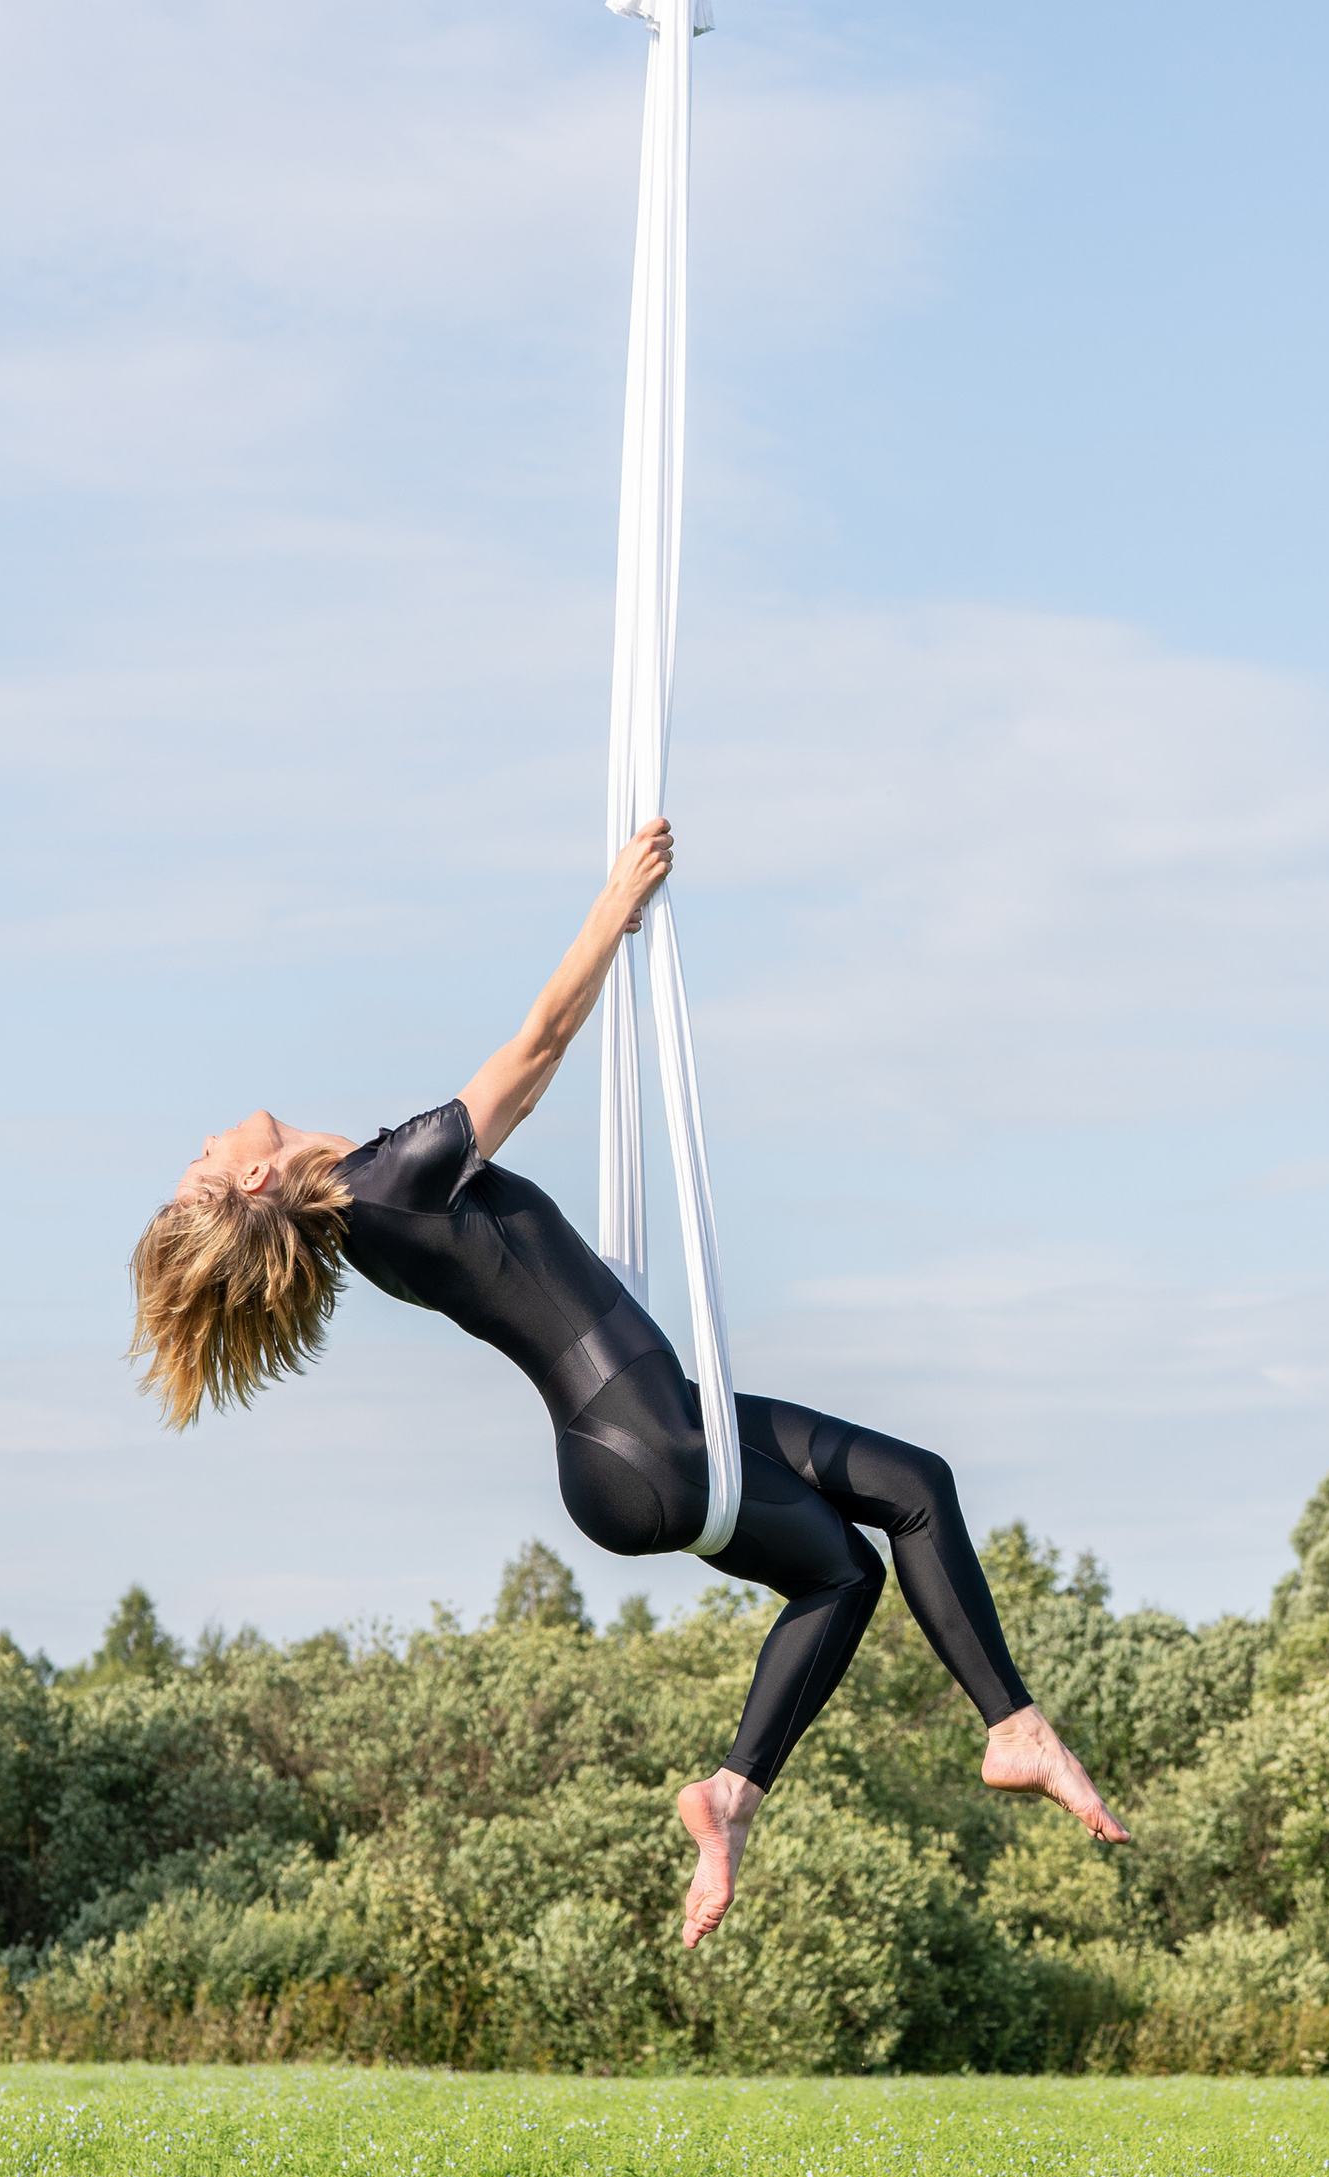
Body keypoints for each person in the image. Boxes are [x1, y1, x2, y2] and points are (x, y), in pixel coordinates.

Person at [127, 818, 1127, 1944]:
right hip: (648, 1432)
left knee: (892, 1512)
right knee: (866, 1547)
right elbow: (542, 1044)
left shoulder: (372, 1214)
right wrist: (617, 902)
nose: (207, 1136)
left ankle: (794, 1781)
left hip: (632, 1442)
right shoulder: (388, 1186)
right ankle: (979, 1736)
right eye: (204, 1157)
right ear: (255, 1180)